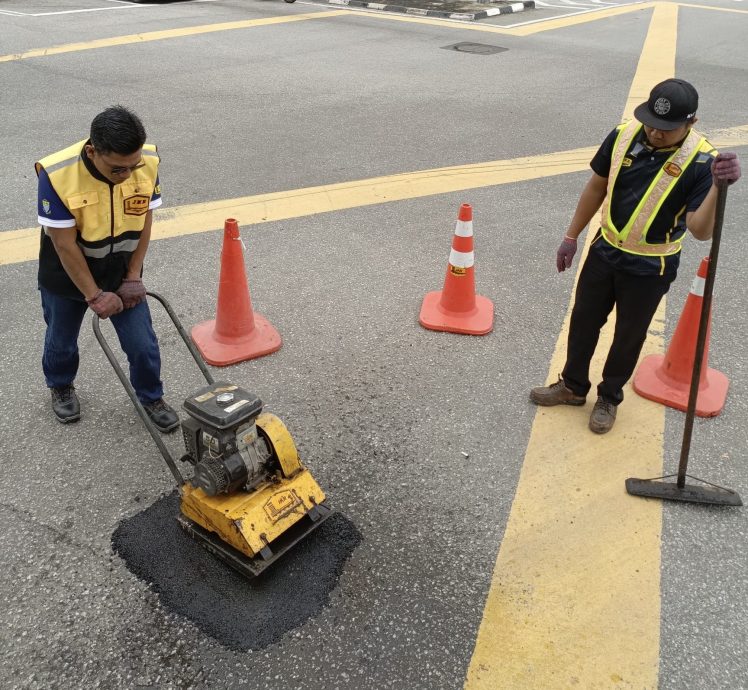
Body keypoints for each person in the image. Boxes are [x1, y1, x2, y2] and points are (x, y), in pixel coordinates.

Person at [530, 79, 742, 434]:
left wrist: (718, 191)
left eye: (667, 128)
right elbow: (597, 185)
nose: (656, 133)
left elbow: (701, 230)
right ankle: (572, 386)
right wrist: (572, 236)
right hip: (604, 249)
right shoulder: (624, 134)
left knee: (629, 335)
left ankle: (609, 398)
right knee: (583, 321)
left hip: (650, 266)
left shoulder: (702, 161)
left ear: (692, 123)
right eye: (652, 123)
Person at [36, 105, 179, 433]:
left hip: (120, 273)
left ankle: (151, 397)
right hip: (68, 276)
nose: (128, 174)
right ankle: (60, 385)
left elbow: (144, 220)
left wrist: (132, 277)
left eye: (133, 165)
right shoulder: (57, 175)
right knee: (61, 340)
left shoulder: (147, 162)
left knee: (142, 344)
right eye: (118, 169)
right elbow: (64, 245)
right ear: (92, 151)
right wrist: (94, 295)